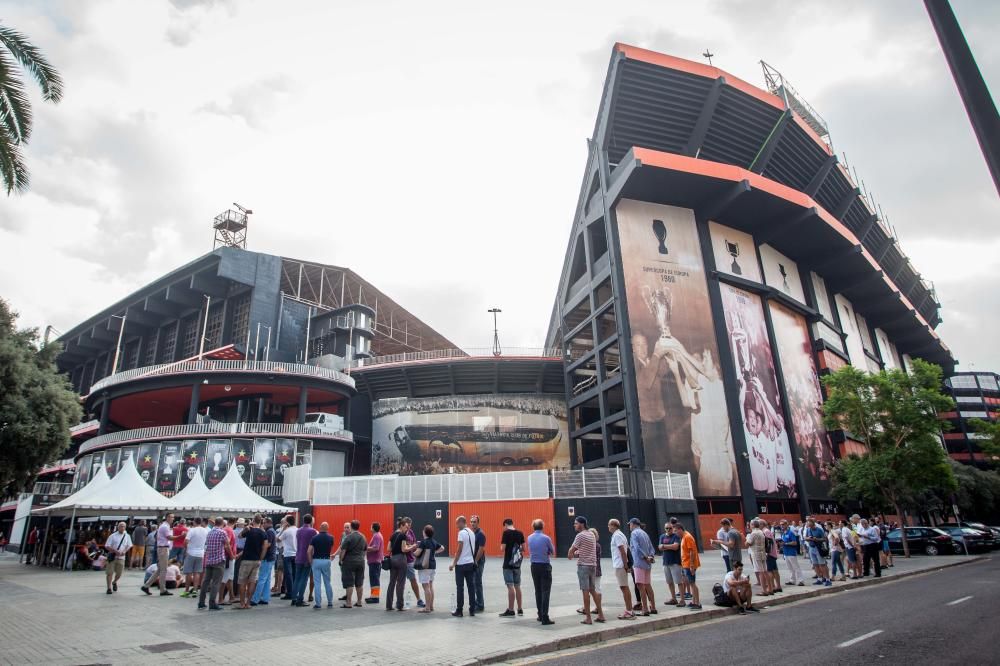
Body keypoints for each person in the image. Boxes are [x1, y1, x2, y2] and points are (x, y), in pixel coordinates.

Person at [568, 516, 605, 625]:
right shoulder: (591, 534)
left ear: (582, 524)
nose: (574, 525)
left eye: (576, 523)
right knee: (593, 591)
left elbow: (572, 549)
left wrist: (570, 554)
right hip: (592, 566)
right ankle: (601, 615)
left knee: (585, 592)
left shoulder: (580, 535)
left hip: (583, 566)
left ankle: (588, 618)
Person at [199, 517, 233, 610]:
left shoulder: (209, 533)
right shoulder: (222, 532)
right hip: (218, 560)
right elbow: (227, 545)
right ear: (222, 523)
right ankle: (212, 603)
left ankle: (201, 602)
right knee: (216, 582)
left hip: (209, 560)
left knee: (205, 582)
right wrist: (232, 555)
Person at [448, 515, 478, 617]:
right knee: (471, 587)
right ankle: (472, 609)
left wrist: (453, 563)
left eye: (457, 523)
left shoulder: (461, 533)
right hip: (470, 563)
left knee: (460, 588)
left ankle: (459, 610)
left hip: (461, 565)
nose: (456, 525)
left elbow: (459, 549)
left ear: (462, 522)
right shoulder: (472, 533)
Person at [527, 518, 555, 625]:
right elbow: (552, 551)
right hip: (544, 565)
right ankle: (545, 616)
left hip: (534, 566)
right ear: (542, 527)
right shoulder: (546, 538)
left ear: (533, 527)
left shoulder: (529, 538)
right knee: (545, 591)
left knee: (537, 591)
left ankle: (539, 614)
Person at [237, 514, 267, 610]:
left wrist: (245, 529)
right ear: (261, 522)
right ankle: (248, 603)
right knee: (252, 582)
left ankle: (242, 603)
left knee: (242, 581)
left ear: (253, 521)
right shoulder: (263, 533)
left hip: (246, 559)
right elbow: (265, 546)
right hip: (256, 560)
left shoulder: (249, 530)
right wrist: (261, 558)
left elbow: (239, 536)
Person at [628, 517, 657, 615]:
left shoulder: (634, 533)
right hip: (647, 563)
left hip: (639, 562)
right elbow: (652, 548)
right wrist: (650, 557)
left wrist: (645, 557)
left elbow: (636, 548)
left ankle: (645, 609)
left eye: (630, 525)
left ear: (633, 524)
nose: (629, 527)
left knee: (640, 586)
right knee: (648, 585)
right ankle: (653, 607)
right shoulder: (645, 533)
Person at [412, 524, 444, 613]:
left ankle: (427, 608)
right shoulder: (434, 541)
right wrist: (433, 552)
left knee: (426, 586)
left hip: (425, 566)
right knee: (430, 586)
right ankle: (431, 606)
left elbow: (417, 553)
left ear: (425, 532)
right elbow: (442, 548)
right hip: (432, 566)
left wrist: (412, 550)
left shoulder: (424, 542)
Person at [142, 513, 175, 596]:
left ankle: (146, 585)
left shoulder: (164, 526)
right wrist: (181, 536)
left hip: (162, 548)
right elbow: (169, 537)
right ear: (167, 518)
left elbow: (157, 537)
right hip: (163, 548)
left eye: (173, 517)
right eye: (171, 517)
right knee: (163, 570)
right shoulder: (165, 526)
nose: (172, 519)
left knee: (160, 569)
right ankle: (162, 589)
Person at [499, 518, 525, 617]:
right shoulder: (520, 533)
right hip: (517, 564)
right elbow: (524, 548)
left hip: (508, 564)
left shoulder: (506, 533)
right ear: (512, 524)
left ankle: (510, 609)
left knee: (510, 586)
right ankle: (520, 609)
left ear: (505, 524)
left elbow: (502, 548)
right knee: (517, 586)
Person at [338, 520, 367, 608]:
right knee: (359, 582)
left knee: (349, 582)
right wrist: (362, 558)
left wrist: (341, 560)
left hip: (349, 562)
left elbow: (343, 551)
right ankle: (359, 602)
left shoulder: (348, 537)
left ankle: (349, 603)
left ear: (351, 527)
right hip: (360, 561)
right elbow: (365, 549)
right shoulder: (363, 537)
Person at [609, 519, 635, 619]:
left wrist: (625, 565)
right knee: (624, 587)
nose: (608, 527)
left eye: (609, 525)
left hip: (620, 565)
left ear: (613, 525)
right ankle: (629, 610)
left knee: (624, 587)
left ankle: (629, 611)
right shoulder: (620, 534)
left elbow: (623, 551)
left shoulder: (617, 535)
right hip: (620, 564)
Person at [658, 519, 684, 608]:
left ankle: (682, 600)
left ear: (672, 528)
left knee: (679, 582)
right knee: (669, 582)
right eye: (667, 528)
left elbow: (676, 547)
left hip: (675, 562)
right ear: (664, 529)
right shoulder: (662, 536)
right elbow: (659, 547)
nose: (668, 530)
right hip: (666, 562)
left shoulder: (676, 536)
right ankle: (673, 598)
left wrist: (664, 546)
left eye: (670, 528)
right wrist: (669, 546)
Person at [292, 514, 318, 607]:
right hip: (307, 557)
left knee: (297, 578)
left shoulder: (298, 530)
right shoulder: (313, 531)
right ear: (311, 521)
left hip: (298, 556)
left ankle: (294, 598)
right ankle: (300, 599)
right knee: (304, 579)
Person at [251, 517, 277, 606]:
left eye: (264, 523)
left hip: (267, 557)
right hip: (271, 557)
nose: (263, 524)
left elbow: (267, 545)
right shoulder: (272, 531)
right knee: (267, 579)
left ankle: (255, 599)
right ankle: (265, 598)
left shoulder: (269, 532)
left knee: (262, 578)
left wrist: (261, 555)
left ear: (268, 523)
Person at [308, 521, 334, 609]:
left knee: (317, 582)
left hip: (316, 560)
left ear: (320, 527)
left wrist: (311, 561)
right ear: (327, 528)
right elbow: (330, 549)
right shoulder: (331, 538)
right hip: (326, 560)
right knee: (327, 582)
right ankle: (330, 602)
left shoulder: (314, 538)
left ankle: (318, 604)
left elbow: (309, 551)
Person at [385, 519, 409, 612]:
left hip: (393, 559)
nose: (407, 529)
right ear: (401, 526)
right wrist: (411, 547)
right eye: (406, 527)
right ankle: (399, 605)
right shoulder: (403, 535)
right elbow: (403, 549)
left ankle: (388, 605)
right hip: (401, 559)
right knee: (400, 583)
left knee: (392, 582)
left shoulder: (393, 535)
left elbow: (388, 548)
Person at [180, 516, 208, 598]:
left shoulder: (191, 530)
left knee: (188, 573)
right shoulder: (205, 531)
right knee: (197, 572)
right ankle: (195, 590)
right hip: (201, 553)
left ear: (194, 522)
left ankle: (187, 590)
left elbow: (186, 541)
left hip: (191, 552)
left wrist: (186, 548)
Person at [677, 523, 702, 610]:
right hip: (686, 564)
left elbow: (692, 551)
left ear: (680, 529)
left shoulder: (687, 537)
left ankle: (697, 603)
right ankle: (694, 602)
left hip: (689, 564)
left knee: (692, 583)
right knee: (691, 583)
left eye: (676, 531)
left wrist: (691, 565)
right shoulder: (684, 536)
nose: (676, 533)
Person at [745, 519, 773, 595]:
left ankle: (764, 590)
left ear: (753, 525)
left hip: (756, 553)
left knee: (760, 572)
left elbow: (747, 544)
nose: (749, 526)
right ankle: (770, 588)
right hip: (762, 552)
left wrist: (746, 539)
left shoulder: (753, 533)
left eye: (751, 525)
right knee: (765, 571)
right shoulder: (761, 532)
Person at [402, 517, 425, 608]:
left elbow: (414, 543)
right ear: (404, 524)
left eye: (410, 525)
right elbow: (404, 547)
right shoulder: (400, 533)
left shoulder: (411, 532)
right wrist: (412, 546)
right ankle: (399, 601)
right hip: (402, 560)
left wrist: (414, 546)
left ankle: (419, 599)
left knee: (413, 580)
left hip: (410, 560)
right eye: (407, 524)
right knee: (401, 581)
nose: (409, 527)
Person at [103, 521, 132, 595]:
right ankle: (109, 588)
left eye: (123, 526)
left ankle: (114, 582)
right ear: (118, 527)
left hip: (121, 557)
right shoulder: (113, 536)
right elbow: (107, 546)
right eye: (121, 526)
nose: (122, 527)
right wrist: (115, 551)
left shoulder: (127, 536)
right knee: (110, 573)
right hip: (112, 557)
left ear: (125, 527)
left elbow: (129, 545)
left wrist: (124, 551)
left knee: (119, 573)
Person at [804, 517, 832, 586]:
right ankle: (819, 578)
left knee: (822, 564)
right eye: (807, 522)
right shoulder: (808, 529)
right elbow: (805, 537)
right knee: (815, 564)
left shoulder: (819, 530)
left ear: (812, 523)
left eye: (809, 522)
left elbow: (825, 539)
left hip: (818, 548)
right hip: (811, 547)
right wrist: (808, 538)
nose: (807, 523)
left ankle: (827, 579)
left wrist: (817, 539)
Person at [776, 520, 804, 586]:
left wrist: (785, 543)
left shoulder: (790, 532)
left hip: (791, 552)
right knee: (790, 568)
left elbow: (795, 542)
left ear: (786, 524)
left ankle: (801, 580)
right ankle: (792, 580)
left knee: (796, 567)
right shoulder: (783, 533)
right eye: (781, 524)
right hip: (786, 552)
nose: (781, 526)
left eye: (783, 524)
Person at [470, 514, 486, 613]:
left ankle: (480, 604)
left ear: (478, 523)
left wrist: (475, 560)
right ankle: (477, 602)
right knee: (474, 582)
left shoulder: (481, 534)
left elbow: (481, 549)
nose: (472, 523)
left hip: (478, 561)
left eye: (474, 522)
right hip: (473, 560)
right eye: (471, 522)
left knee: (477, 582)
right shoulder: (472, 533)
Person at [279, 515, 298, 600]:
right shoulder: (298, 530)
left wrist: (283, 529)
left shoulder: (287, 531)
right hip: (296, 554)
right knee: (294, 574)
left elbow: (277, 539)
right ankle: (295, 592)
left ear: (287, 522)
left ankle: (289, 593)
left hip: (287, 554)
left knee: (288, 574)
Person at [365, 522, 383, 604]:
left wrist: (366, 548)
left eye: (371, 526)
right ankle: (373, 596)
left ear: (373, 528)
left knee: (374, 579)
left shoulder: (376, 536)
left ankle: (375, 597)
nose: (370, 528)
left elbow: (376, 548)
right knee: (374, 579)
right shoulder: (378, 535)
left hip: (374, 561)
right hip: (375, 560)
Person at [762, 520, 782, 593]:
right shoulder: (767, 531)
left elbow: (768, 543)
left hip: (769, 554)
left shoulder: (765, 531)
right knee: (775, 570)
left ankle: (772, 586)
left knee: (769, 571)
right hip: (772, 553)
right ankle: (778, 586)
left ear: (762, 524)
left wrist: (767, 553)